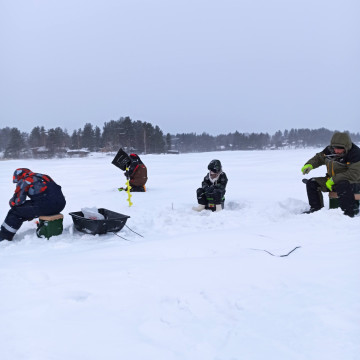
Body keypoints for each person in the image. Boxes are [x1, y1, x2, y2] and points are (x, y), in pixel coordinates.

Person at [301, 132, 360, 217]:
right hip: (331, 181)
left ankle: (347, 214)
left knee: (342, 185)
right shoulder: (329, 150)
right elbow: (319, 158)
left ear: (346, 146)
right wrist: (309, 165)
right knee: (312, 183)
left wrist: (334, 180)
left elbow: (354, 174)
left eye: (340, 148)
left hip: (353, 182)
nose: (336, 151)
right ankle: (316, 210)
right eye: (335, 148)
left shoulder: (355, 153)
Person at [0, 168, 66, 241]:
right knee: (30, 206)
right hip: (60, 205)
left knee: (15, 211)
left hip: (46, 206)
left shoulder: (26, 180)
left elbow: (17, 201)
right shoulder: (44, 176)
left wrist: (11, 203)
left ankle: (4, 236)